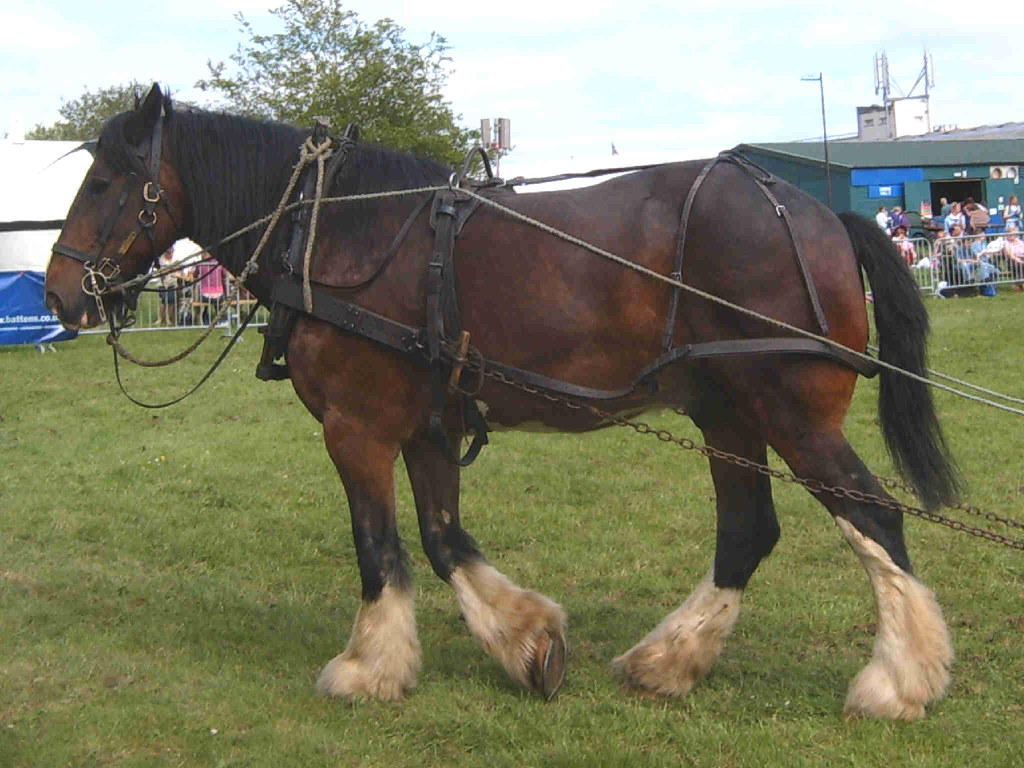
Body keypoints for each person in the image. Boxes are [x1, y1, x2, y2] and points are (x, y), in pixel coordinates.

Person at [156, 244, 177, 326]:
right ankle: (160, 318)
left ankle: (169, 318)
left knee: (171, 301)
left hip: (172, 283)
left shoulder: (175, 260)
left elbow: (178, 271)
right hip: (162, 284)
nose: (170, 254)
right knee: (164, 300)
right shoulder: (161, 260)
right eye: (169, 252)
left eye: (171, 252)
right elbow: (161, 272)